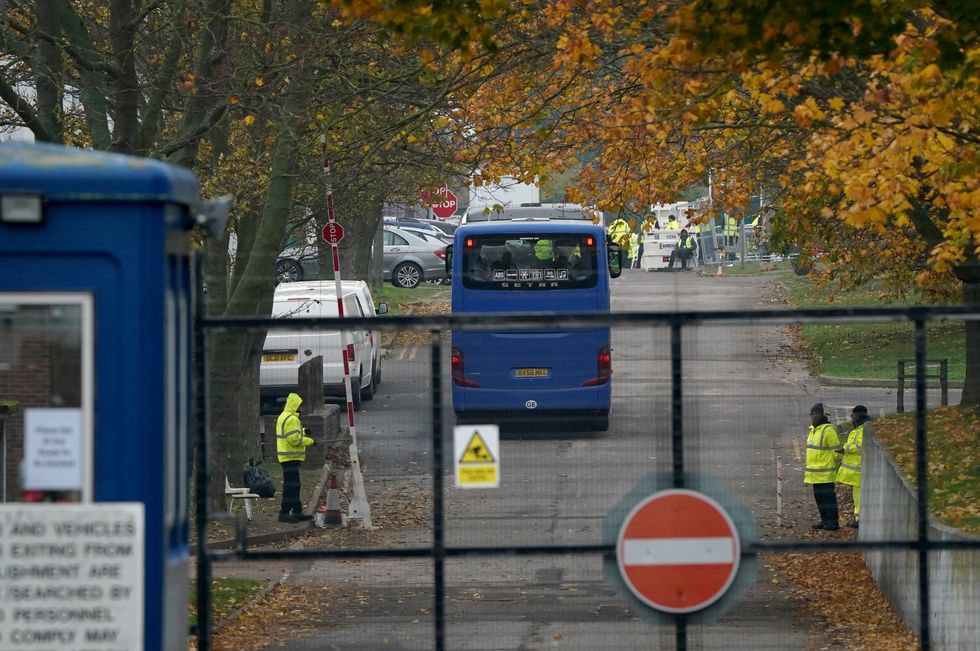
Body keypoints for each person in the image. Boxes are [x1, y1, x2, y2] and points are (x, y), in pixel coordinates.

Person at [276, 392, 315, 523]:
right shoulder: (293, 419)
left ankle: (297, 511)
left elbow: (291, 433)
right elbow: (294, 440)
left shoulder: (284, 416)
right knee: (291, 486)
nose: (301, 408)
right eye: (299, 405)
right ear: (295, 405)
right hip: (290, 456)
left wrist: (303, 431)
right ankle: (284, 513)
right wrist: (311, 441)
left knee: (294, 485)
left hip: (286, 457)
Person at [805, 403, 843, 531]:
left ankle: (833, 522)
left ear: (822, 414)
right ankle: (824, 520)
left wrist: (836, 468)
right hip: (815, 474)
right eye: (813, 414)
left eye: (817, 413)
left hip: (826, 473)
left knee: (828, 498)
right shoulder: (813, 430)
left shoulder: (828, 430)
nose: (814, 416)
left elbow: (836, 452)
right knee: (819, 498)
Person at [837, 405, 869, 528]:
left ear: (858, 416)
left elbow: (859, 447)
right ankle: (857, 518)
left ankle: (859, 519)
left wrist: (844, 448)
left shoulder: (862, 430)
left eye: (853, 415)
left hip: (858, 470)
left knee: (858, 497)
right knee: (857, 496)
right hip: (856, 471)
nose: (851, 417)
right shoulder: (859, 429)